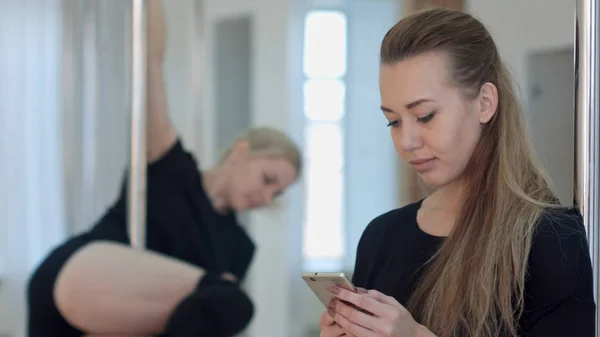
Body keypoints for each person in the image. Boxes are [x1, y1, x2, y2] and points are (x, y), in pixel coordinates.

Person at [26, 1, 301, 337]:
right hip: (81, 279)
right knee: (232, 300)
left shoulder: (240, 248)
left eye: (277, 193)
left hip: (130, 320)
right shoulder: (173, 168)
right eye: (268, 179)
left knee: (227, 304)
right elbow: (150, 64)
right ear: (241, 152)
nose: (266, 195)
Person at [319, 8, 594, 337]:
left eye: (425, 115)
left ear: (485, 103)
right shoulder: (380, 237)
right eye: (393, 121)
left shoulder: (551, 241)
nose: (406, 141)